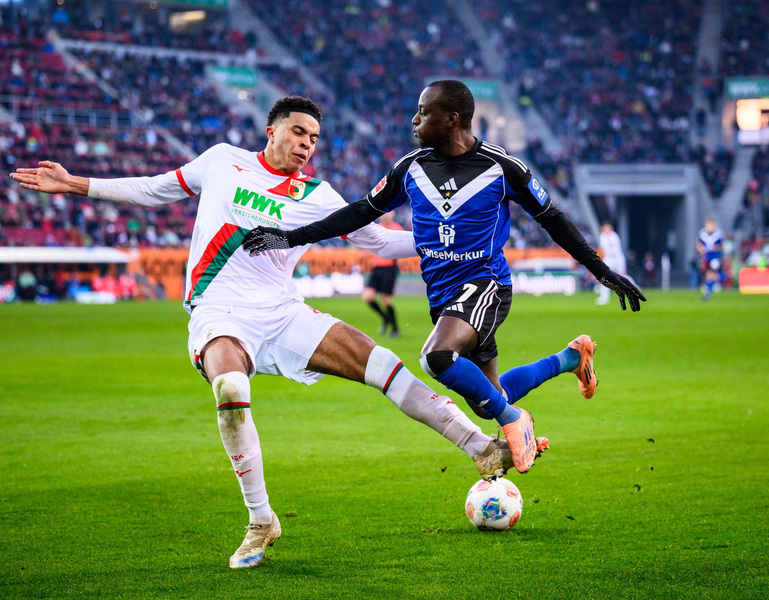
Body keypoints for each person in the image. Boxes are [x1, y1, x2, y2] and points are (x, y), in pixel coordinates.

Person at [10, 96, 520, 569]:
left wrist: (454, 238)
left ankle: (480, 446)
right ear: (272, 130)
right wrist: (78, 184)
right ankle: (261, 519)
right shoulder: (223, 161)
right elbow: (154, 189)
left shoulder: (319, 195)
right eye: (298, 132)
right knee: (230, 388)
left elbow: (380, 242)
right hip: (219, 312)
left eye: (314, 139)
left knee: (382, 363)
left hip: (281, 310)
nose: (306, 144)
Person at [242, 81, 646, 476]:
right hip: (443, 296)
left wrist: (602, 271)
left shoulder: (501, 168)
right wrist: (289, 237)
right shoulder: (410, 168)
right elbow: (359, 211)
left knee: (436, 358)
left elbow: (553, 219)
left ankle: (515, 420)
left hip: (486, 285)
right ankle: (572, 358)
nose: (414, 120)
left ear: (452, 119)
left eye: (423, 112)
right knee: (490, 397)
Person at [362, 212, 403, 336]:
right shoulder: (377, 227)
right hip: (376, 268)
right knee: (367, 297)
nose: (385, 215)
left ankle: (395, 328)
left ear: (393, 214)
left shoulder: (396, 228)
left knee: (386, 300)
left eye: (388, 213)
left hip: (389, 267)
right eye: (384, 213)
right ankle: (386, 318)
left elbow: (401, 247)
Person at [596, 221, 627, 305]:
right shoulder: (602, 236)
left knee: (623, 276)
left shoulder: (614, 236)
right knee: (603, 276)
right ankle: (604, 297)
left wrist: (621, 265)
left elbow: (617, 250)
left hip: (617, 258)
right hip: (608, 259)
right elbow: (602, 249)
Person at [697, 216, 724, 301]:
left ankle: (708, 292)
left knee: (711, 273)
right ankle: (719, 280)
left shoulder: (719, 234)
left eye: (711, 225)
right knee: (709, 274)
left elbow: (722, 246)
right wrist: (702, 250)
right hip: (706, 257)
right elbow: (698, 245)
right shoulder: (702, 233)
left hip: (715, 256)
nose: (709, 227)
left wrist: (716, 247)